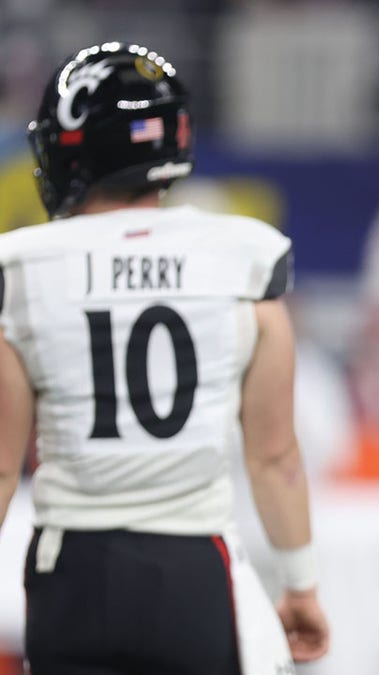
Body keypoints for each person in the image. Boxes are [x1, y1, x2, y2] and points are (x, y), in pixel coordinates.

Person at [0, 43, 329, 673]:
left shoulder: (26, 272)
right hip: (192, 568)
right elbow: (275, 456)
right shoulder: (241, 259)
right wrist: (301, 584)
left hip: (71, 569)